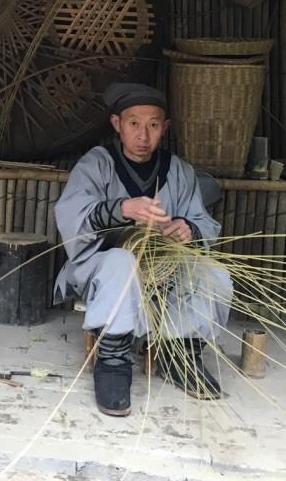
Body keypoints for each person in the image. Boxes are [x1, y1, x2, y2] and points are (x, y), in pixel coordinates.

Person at [53, 82, 232, 416]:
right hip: (102, 268)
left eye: (153, 125)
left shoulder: (179, 170)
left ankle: (181, 354)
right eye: (134, 123)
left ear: (165, 128)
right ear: (117, 124)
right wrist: (121, 209)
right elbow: (71, 215)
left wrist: (188, 229)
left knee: (214, 273)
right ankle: (113, 359)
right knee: (122, 261)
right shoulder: (97, 164)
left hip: (163, 272)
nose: (143, 135)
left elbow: (203, 222)